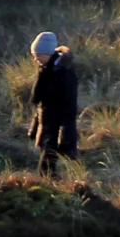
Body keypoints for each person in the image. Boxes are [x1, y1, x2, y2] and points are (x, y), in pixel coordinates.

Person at [27, 31, 79, 171]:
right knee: (46, 147)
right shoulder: (46, 69)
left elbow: (70, 101)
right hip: (47, 117)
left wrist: (67, 129)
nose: (36, 59)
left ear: (48, 54)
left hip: (59, 119)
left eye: (38, 56)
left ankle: (49, 178)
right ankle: (48, 177)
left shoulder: (64, 71)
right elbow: (40, 100)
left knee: (50, 149)